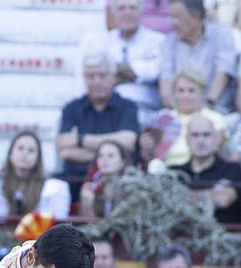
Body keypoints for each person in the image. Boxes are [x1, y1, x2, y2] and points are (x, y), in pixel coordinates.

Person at [57, 53, 140, 198]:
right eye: (91, 76)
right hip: (76, 181)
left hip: (120, 182)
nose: (96, 81)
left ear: (114, 77)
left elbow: (128, 142)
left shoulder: (127, 107)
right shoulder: (71, 108)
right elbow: (64, 149)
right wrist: (111, 156)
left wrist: (80, 140)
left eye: (102, 75)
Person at [78, 0, 165, 111]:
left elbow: (153, 72)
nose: (127, 13)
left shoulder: (158, 41)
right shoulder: (102, 41)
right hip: (108, 109)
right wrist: (137, 72)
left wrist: (113, 72)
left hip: (144, 108)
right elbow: (97, 75)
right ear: (114, 13)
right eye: (121, 8)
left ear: (141, 12)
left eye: (132, 8)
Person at [159, 0, 237, 111]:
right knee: (155, 124)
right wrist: (180, 112)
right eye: (171, 17)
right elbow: (165, 85)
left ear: (195, 16)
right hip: (177, 111)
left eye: (176, 17)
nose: (172, 23)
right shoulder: (168, 42)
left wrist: (205, 108)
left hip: (215, 110)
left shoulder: (222, 35)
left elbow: (223, 74)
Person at [143, 66, 227, 167]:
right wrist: (149, 148)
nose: (186, 95)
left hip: (202, 170)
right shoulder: (163, 118)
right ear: (174, 93)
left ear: (202, 93)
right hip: (169, 173)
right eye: (181, 90)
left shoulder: (214, 118)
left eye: (191, 90)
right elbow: (155, 156)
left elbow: (214, 149)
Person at [172, 113, 241, 223]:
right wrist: (213, 193)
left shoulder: (232, 169)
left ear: (215, 139)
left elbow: (222, 200)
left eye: (206, 135)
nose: (200, 140)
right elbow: (168, 202)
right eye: (195, 135)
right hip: (181, 236)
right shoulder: (174, 172)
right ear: (187, 139)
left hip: (223, 236)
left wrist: (184, 194)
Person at [0, 131, 71, 219]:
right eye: (20, 148)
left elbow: (57, 223)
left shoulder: (56, 188)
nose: (25, 153)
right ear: (10, 154)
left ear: (38, 158)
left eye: (31, 150)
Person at [78, 140, 129, 218]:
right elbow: (87, 226)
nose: (104, 159)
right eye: (100, 155)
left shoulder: (130, 187)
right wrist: (87, 206)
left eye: (110, 155)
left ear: (122, 162)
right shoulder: (91, 187)